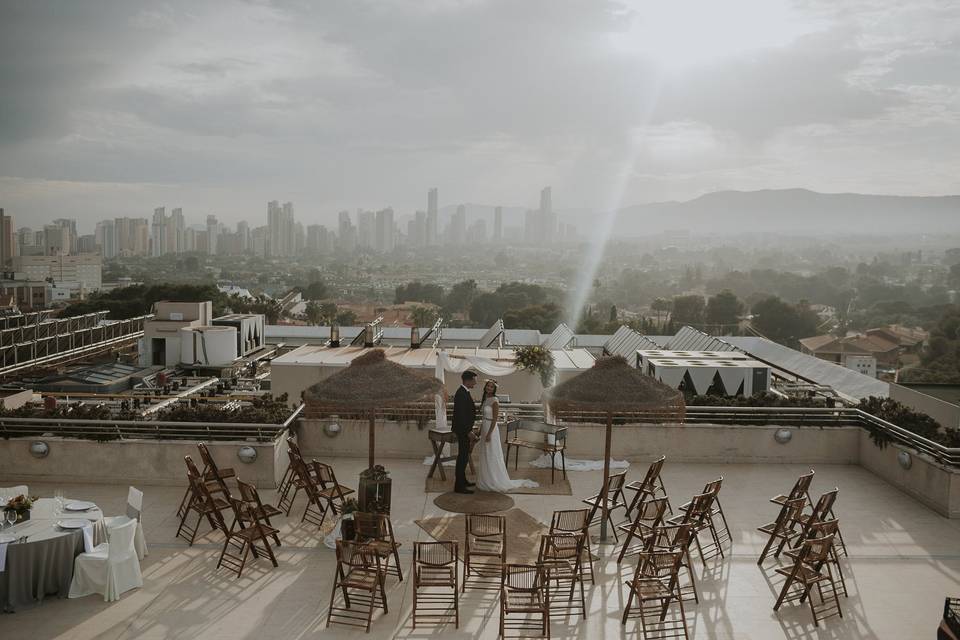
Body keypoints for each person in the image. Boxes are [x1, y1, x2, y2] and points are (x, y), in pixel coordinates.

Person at [475, 380, 539, 493]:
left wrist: (489, 434)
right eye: (488, 386)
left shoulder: (495, 400)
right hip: (484, 427)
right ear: (485, 387)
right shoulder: (485, 399)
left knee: (492, 454)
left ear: (494, 389)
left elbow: (495, 419)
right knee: (485, 454)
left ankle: (494, 480)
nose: (489, 388)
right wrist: (480, 431)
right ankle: (485, 479)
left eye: (491, 387)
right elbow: (483, 417)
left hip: (491, 429)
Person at [452, 370, 478, 494]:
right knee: (462, 458)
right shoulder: (461, 393)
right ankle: (459, 486)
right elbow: (461, 416)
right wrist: (468, 431)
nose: (476, 383)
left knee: (464, 457)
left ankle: (463, 481)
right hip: (463, 431)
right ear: (468, 380)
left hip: (464, 429)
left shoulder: (464, 392)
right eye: (474, 380)